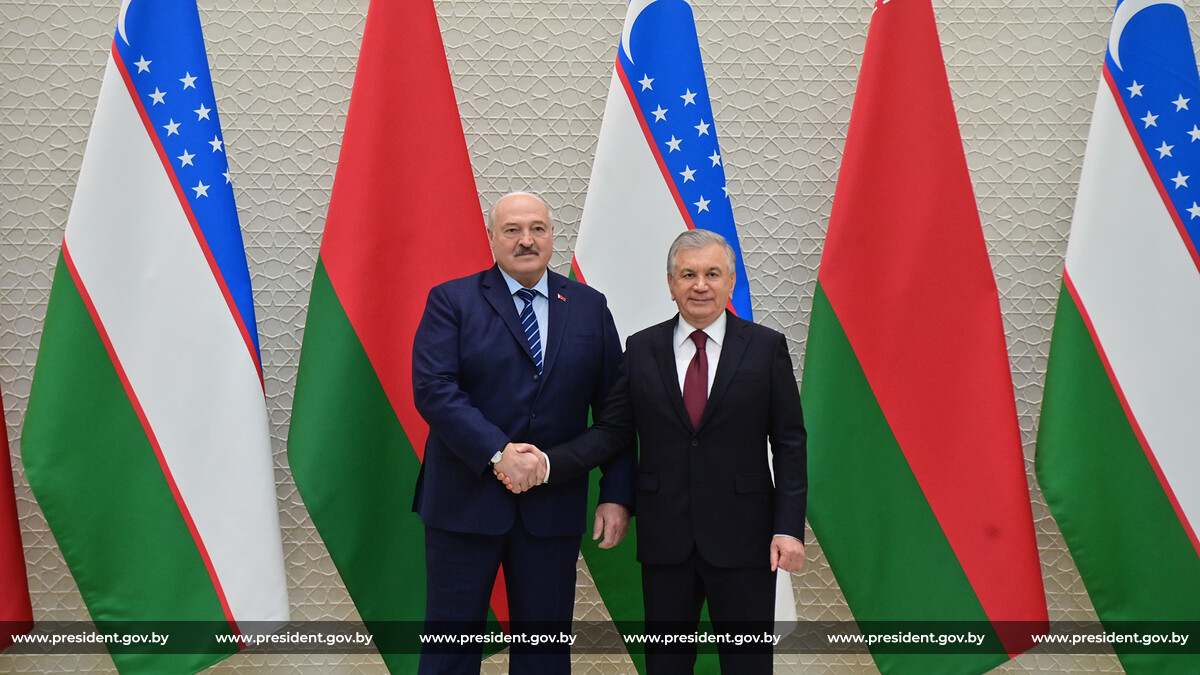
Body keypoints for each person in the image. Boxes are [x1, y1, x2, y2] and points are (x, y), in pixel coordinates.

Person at [499, 229, 807, 674]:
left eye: (712, 274)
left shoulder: (765, 348)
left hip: (746, 540)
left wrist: (788, 528)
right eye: (688, 274)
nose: (700, 285)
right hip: (667, 541)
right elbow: (611, 432)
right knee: (665, 664)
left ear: (730, 282)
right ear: (671, 283)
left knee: (748, 665)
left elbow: (790, 445)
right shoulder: (642, 349)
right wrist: (547, 464)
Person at [411, 192, 634, 674]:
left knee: (545, 654)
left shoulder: (590, 307)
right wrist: (498, 453)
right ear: (492, 238)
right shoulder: (452, 300)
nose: (526, 240)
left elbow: (617, 412)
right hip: (464, 503)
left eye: (537, 228)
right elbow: (434, 389)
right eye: (512, 229)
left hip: (552, 509)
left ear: (553, 236)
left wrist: (617, 494)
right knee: (450, 648)